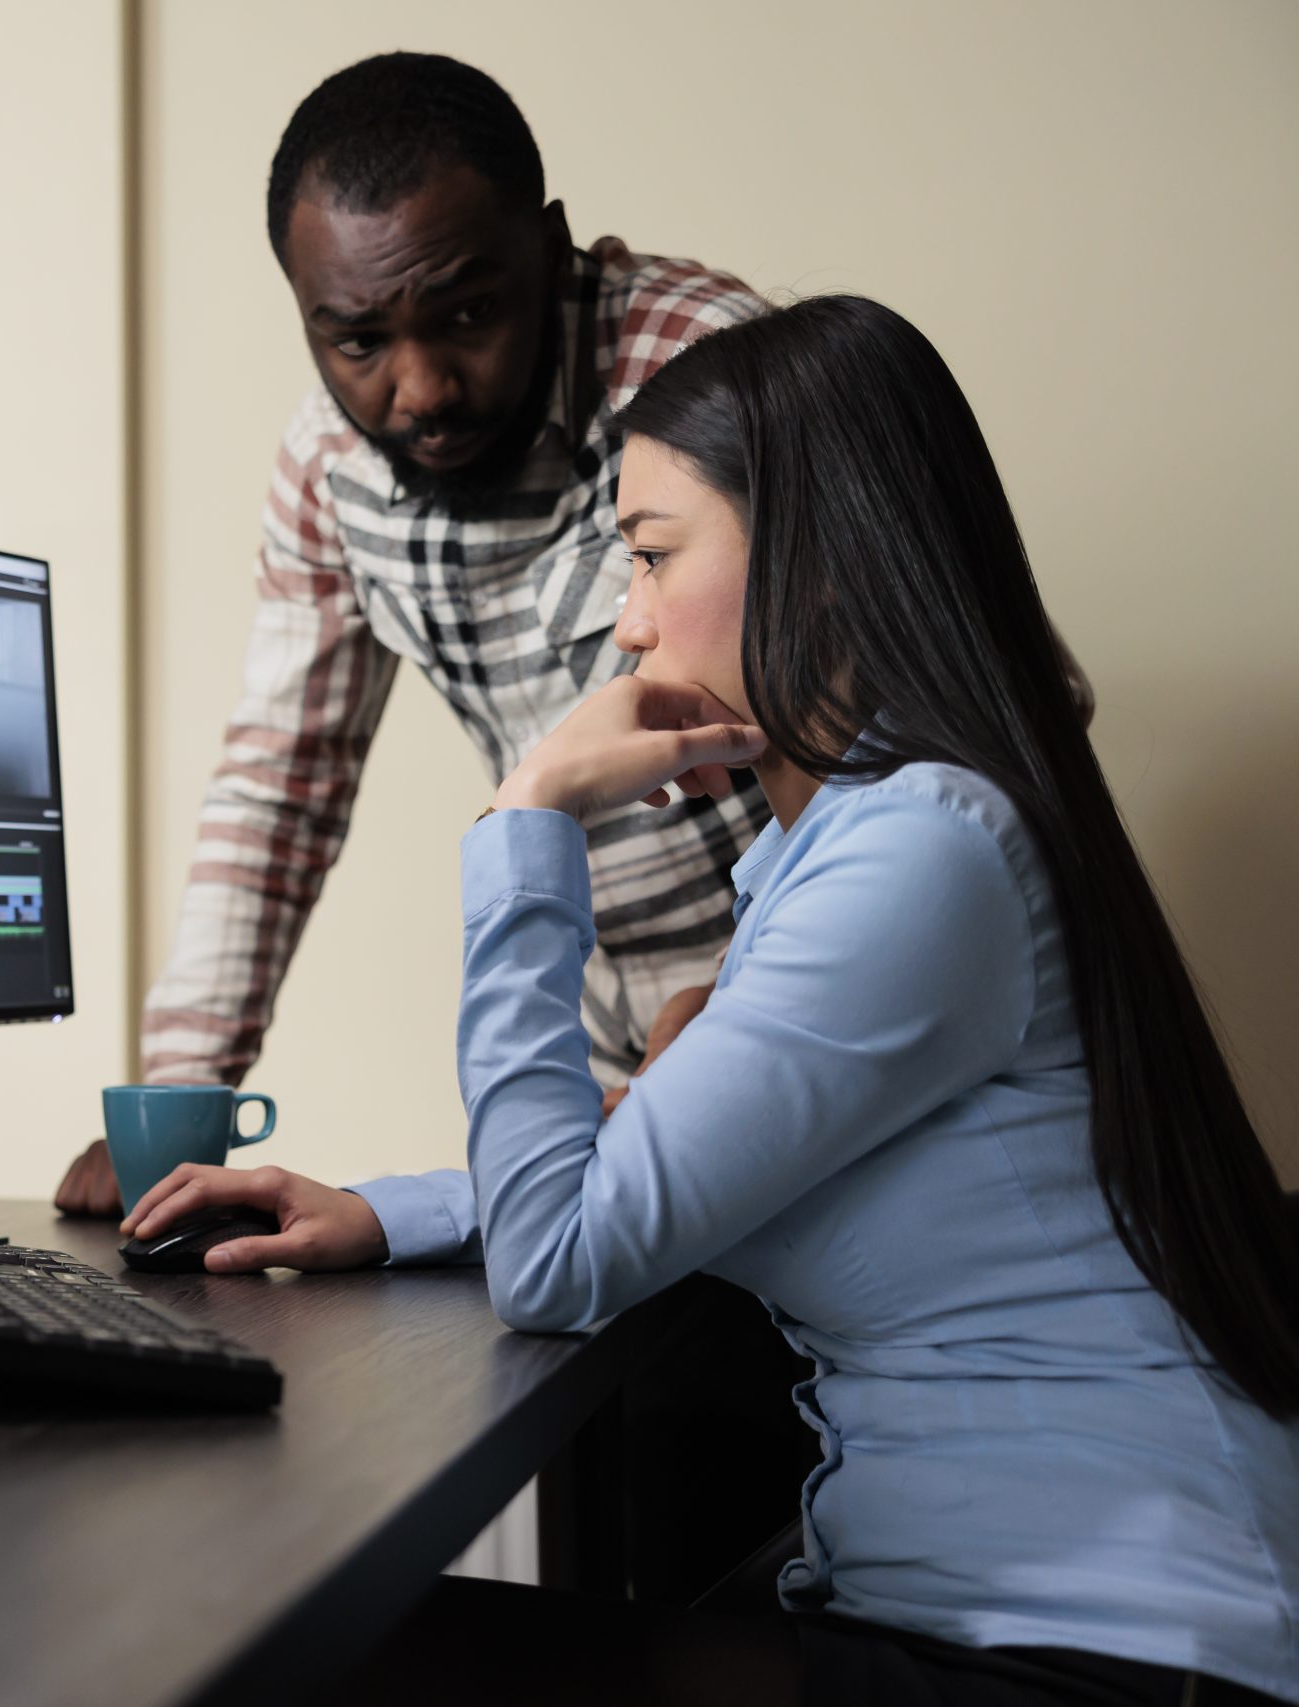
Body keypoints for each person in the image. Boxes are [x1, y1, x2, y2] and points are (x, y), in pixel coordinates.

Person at [121, 296, 1299, 1706]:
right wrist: (392, 1210)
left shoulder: (922, 851)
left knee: (305, 1654)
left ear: (815, 557)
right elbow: (661, 1167)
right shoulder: (853, 839)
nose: (626, 626)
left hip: (1099, 1659)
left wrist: (529, 808)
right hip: (988, 1613)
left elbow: (570, 1250)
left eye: (651, 556)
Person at [56, 52, 775, 1214]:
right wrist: (182, 1094)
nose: (421, 387)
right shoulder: (327, 472)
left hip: (812, 975)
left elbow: (929, 723)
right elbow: (278, 791)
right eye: (355, 341)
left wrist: (761, 988)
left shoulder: (707, 371)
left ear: (550, 250)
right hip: (602, 1034)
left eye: (469, 314)